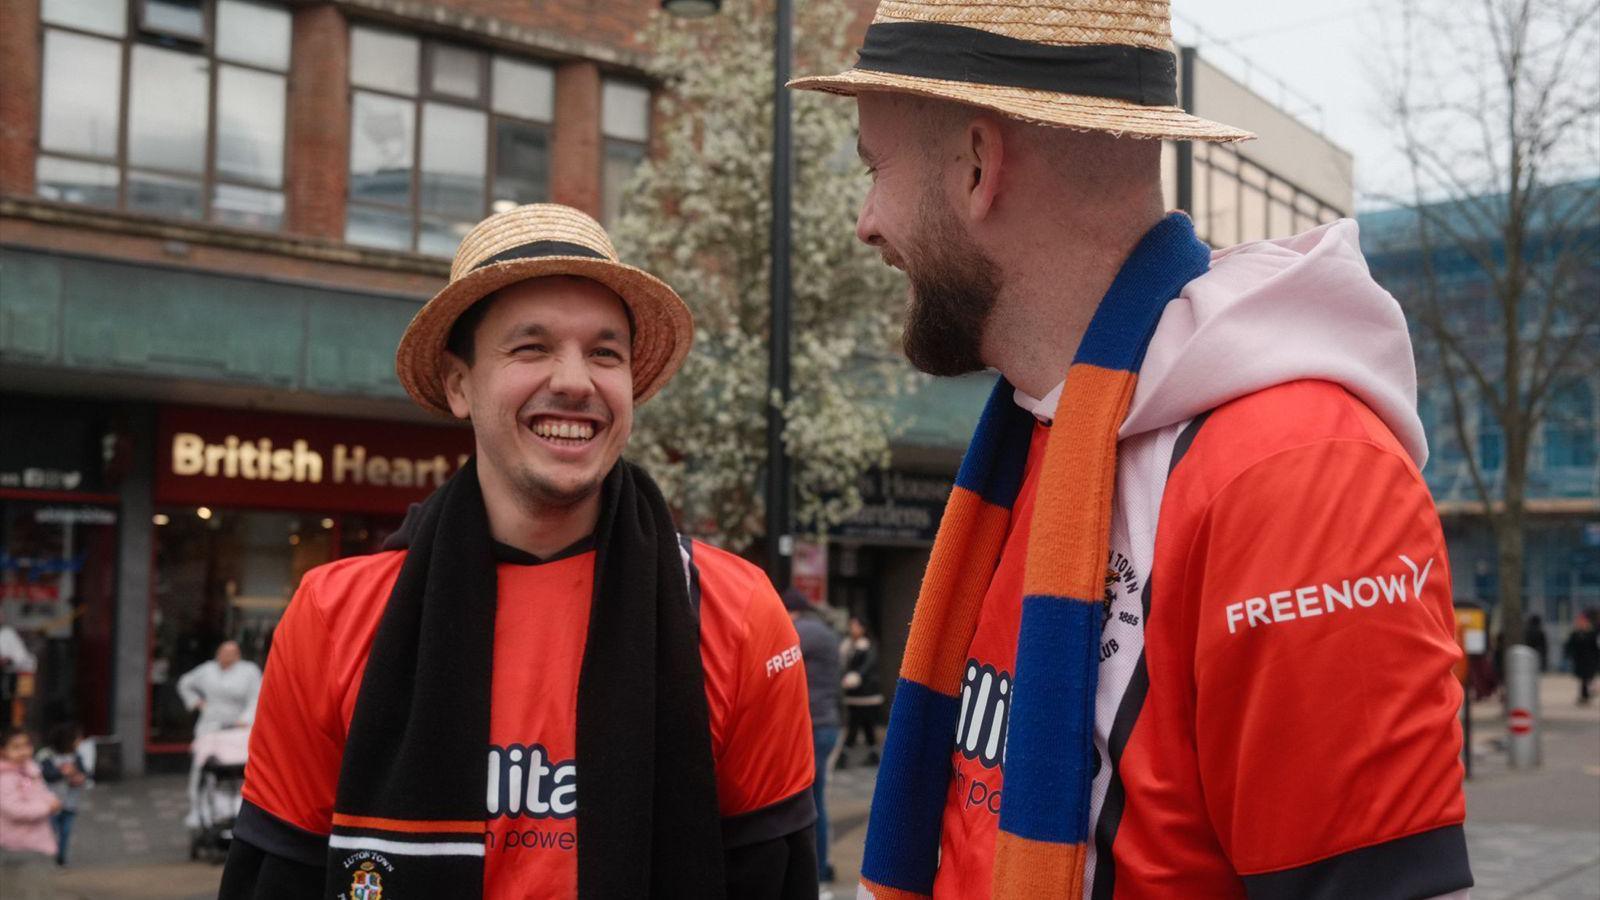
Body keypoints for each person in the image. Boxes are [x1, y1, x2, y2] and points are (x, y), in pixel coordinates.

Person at [791, 1, 1473, 896]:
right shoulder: (1044, 433)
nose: (865, 221)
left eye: (876, 168)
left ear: (976, 166)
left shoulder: (1294, 473)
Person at [221, 204, 817, 900]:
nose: (574, 380)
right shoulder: (333, 614)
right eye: (530, 348)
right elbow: (276, 880)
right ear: (458, 384)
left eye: (605, 352)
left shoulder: (735, 615)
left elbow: (775, 882)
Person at [784, 589, 842, 889]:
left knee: (810, 801)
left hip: (813, 725)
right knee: (816, 797)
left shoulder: (800, 631)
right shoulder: (826, 632)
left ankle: (816, 869)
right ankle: (821, 865)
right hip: (827, 723)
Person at [177, 640, 260, 829]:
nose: (226, 656)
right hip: (210, 725)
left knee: (236, 771)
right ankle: (199, 810)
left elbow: (256, 696)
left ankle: (235, 810)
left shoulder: (249, 671)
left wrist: (245, 719)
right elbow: (184, 683)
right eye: (223, 652)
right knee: (202, 768)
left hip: (238, 728)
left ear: (237, 655)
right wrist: (197, 703)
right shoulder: (207, 670)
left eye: (231, 653)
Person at [0, 725, 59, 899]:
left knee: (39, 886)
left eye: (26, 745)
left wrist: (51, 799)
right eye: (16, 747)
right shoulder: (5, 778)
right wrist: (47, 808)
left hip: (37, 840)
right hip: (17, 843)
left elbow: (41, 791)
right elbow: (13, 809)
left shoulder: (30, 769)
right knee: (24, 890)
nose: (23, 751)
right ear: (3, 751)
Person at [36, 721, 90, 865]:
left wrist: (79, 777)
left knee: (65, 831)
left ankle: (61, 857)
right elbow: (47, 775)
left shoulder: (76, 755)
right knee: (52, 830)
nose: (80, 741)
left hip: (70, 801)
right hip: (51, 803)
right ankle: (52, 853)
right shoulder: (46, 755)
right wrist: (64, 772)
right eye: (78, 738)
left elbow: (84, 772)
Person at [839, 617, 883, 767]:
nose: (853, 629)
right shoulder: (847, 646)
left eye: (856, 626)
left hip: (867, 694)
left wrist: (856, 676)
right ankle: (871, 754)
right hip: (853, 694)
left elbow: (868, 666)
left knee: (864, 725)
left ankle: (844, 757)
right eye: (851, 625)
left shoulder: (868, 646)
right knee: (859, 725)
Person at [1565, 610, 1599, 704]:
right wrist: (1569, 654)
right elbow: (1570, 645)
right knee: (1583, 678)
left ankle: (1586, 694)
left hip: (1590, 659)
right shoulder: (1575, 634)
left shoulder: (1592, 634)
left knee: (1588, 677)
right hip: (1579, 659)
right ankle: (1585, 695)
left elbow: (1596, 647)